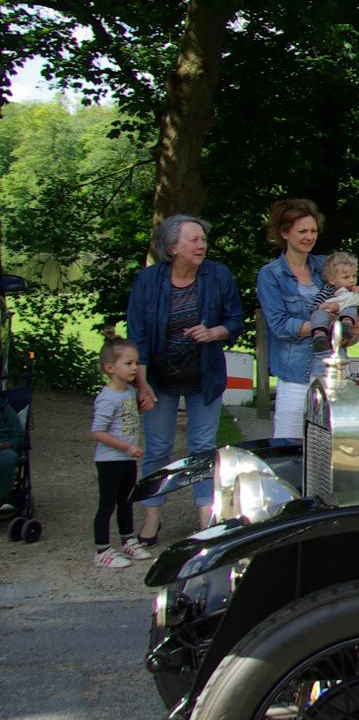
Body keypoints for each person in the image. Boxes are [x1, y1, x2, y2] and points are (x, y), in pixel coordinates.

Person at [128, 214, 243, 537]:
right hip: (159, 378)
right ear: (172, 247)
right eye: (193, 240)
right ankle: (152, 517)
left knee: (203, 447)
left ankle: (204, 516)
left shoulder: (218, 275)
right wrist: (142, 383)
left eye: (203, 239)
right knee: (157, 448)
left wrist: (213, 332)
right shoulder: (149, 280)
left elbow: (235, 321)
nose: (201, 245)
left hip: (203, 375)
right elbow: (137, 335)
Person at [256, 198, 359, 438]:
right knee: (289, 444)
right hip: (296, 375)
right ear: (284, 232)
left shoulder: (326, 265)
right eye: (302, 231)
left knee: (337, 444)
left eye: (313, 231)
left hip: (334, 371)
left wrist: (357, 323)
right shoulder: (271, 275)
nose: (309, 236)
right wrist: (323, 326)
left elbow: (354, 297)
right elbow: (281, 326)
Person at [89, 338, 149, 568]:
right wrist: (126, 446)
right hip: (110, 460)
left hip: (127, 459)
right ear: (110, 367)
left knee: (127, 500)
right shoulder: (107, 398)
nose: (135, 367)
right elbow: (97, 432)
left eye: (137, 362)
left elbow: (126, 420)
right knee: (107, 504)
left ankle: (128, 539)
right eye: (129, 363)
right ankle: (102, 549)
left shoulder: (128, 392)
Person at [307, 250, 359, 350]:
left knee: (350, 308)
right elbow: (315, 307)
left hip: (345, 318)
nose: (351, 280)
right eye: (346, 277)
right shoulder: (328, 290)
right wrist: (325, 306)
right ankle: (319, 334)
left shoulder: (356, 291)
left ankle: (347, 325)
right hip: (329, 316)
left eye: (354, 276)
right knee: (318, 314)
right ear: (332, 280)